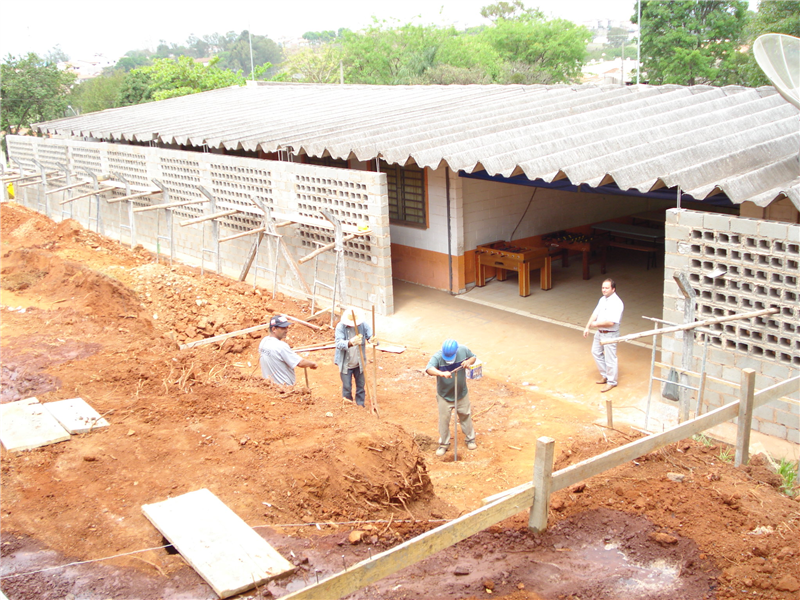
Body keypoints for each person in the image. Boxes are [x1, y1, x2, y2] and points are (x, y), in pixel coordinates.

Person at [425, 339, 478, 457]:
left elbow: (473, 357)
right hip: (444, 395)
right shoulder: (438, 357)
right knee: (444, 420)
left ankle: (470, 439)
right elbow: (429, 369)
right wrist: (441, 373)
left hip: (461, 393)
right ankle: (444, 444)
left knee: (465, 415)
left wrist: (468, 362)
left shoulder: (463, 350)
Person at [583, 278, 624, 392]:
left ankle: (612, 381)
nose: (604, 290)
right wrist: (587, 327)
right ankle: (605, 374)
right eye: (603, 288)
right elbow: (595, 313)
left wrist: (595, 324)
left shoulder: (617, 303)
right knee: (595, 352)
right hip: (600, 332)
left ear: (613, 289)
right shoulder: (602, 299)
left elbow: (611, 323)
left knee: (611, 358)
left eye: (607, 288)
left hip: (610, 334)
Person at [334, 307, 376, 407]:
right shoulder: (340, 327)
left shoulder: (363, 325)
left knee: (361, 385)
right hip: (346, 363)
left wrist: (373, 340)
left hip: (359, 362)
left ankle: (360, 405)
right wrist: (350, 342)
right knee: (347, 386)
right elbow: (338, 343)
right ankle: (348, 405)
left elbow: (371, 335)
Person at [259, 314, 317, 385]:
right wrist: (312, 364)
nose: (286, 330)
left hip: (270, 387)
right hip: (283, 389)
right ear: (274, 329)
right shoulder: (281, 346)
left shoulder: (264, 341)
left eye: (286, 328)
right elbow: (300, 363)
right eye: (283, 328)